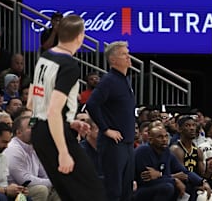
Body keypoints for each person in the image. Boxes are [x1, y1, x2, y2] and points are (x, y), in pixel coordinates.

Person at [28, 15, 106, 201]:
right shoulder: (69, 64)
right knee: (94, 193)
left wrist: (69, 122)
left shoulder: (45, 57)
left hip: (39, 132)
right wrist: (63, 152)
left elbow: (32, 101)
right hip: (55, 135)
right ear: (80, 37)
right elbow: (53, 110)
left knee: (71, 194)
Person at [86, 41, 136, 201]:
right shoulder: (109, 80)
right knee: (114, 190)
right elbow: (92, 104)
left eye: (128, 52)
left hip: (127, 143)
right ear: (113, 59)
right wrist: (106, 129)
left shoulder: (125, 80)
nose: (128, 56)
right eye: (123, 54)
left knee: (126, 191)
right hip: (113, 145)